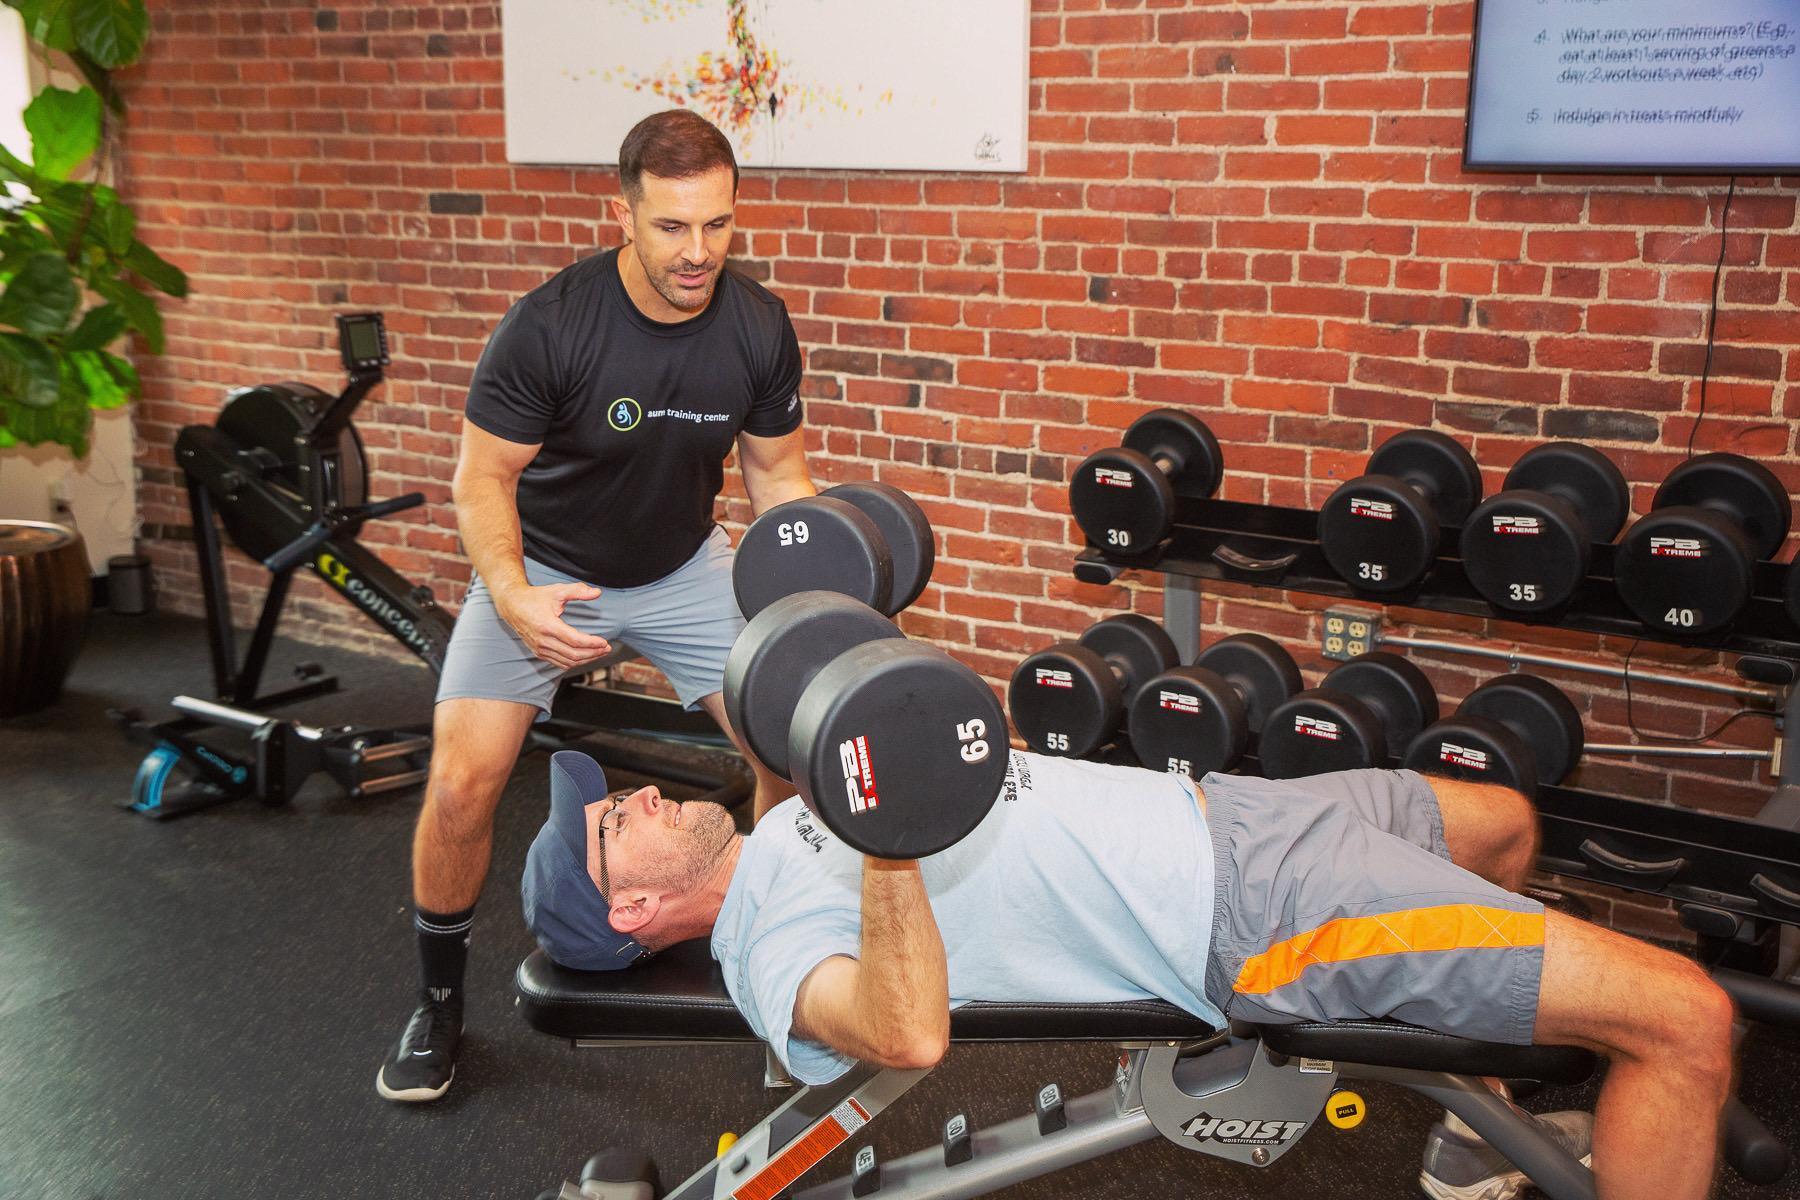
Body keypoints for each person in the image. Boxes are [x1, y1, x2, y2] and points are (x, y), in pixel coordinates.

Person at [571, 749, 1736, 1200]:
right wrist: (889, 837)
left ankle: (1476, 1136)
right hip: (1254, 914)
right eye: (619, 819)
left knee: (1502, 823)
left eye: (623, 791)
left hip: (1227, 812)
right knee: (1686, 1019)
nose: (643, 794)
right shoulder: (770, 955)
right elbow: (904, 1032)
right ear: (633, 911)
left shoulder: (773, 829)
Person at [377, 108, 814, 1103]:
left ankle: (775, 964)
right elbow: (482, 479)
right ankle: (437, 1003)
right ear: (623, 214)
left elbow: (779, 474)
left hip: (684, 568)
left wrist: (814, 587)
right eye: (672, 226)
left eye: (717, 224)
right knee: (462, 782)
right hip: (548, 570)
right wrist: (511, 593)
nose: (698, 251)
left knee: (786, 752)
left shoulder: (757, 325)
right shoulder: (551, 326)